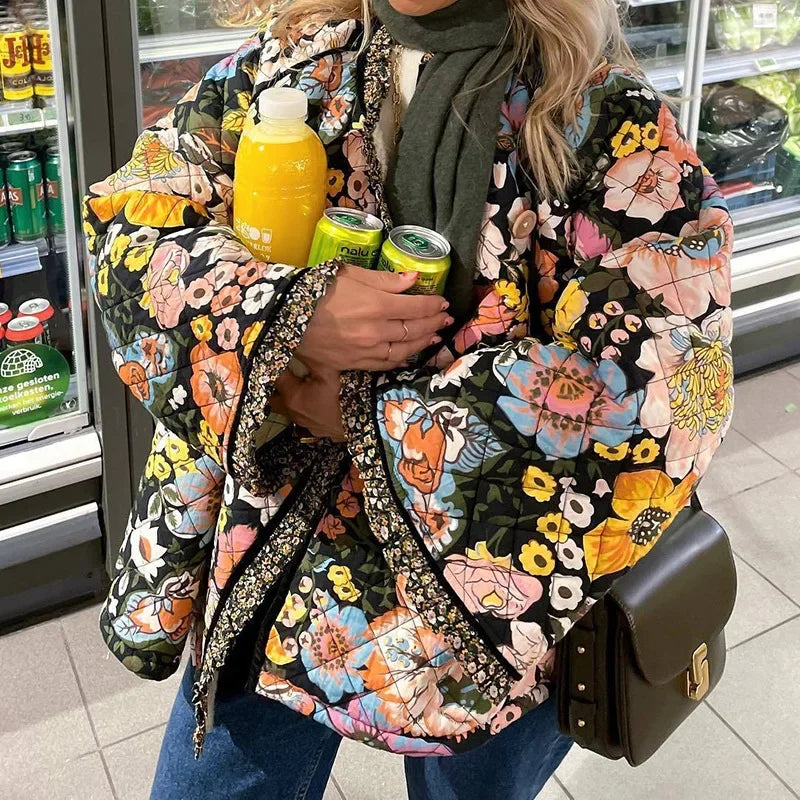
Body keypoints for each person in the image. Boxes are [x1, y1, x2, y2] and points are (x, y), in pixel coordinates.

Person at [83, 0, 734, 797]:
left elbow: (662, 393)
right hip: (276, 547)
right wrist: (290, 316)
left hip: (489, 597)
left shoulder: (605, 122)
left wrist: (359, 413)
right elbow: (134, 220)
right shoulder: (289, 63)